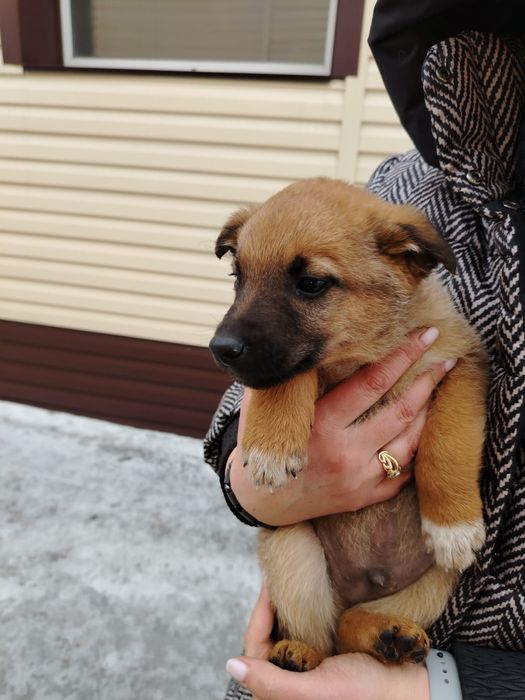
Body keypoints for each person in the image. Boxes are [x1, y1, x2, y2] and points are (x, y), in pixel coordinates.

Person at [203, 1, 525, 697]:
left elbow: (459, 372)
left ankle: (363, 628)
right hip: (315, 568)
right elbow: (263, 376)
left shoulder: (399, 252)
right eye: (241, 273)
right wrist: (248, 478)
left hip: (432, 623)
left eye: (310, 284)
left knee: (442, 567)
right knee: (287, 553)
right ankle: (311, 636)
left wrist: (445, 687)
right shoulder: (404, 184)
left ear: (409, 264)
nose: (233, 326)